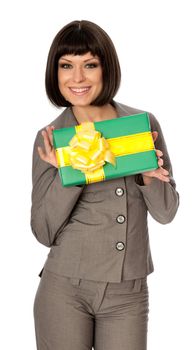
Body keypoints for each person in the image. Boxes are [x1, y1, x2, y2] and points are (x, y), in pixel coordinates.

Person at [31, 20, 179, 350]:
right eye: (66, 65)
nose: (77, 78)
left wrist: (144, 176)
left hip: (128, 293)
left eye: (90, 65)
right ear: (55, 74)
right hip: (65, 290)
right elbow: (43, 232)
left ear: (106, 68)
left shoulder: (141, 126)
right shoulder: (52, 139)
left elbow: (167, 212)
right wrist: (67, 175)